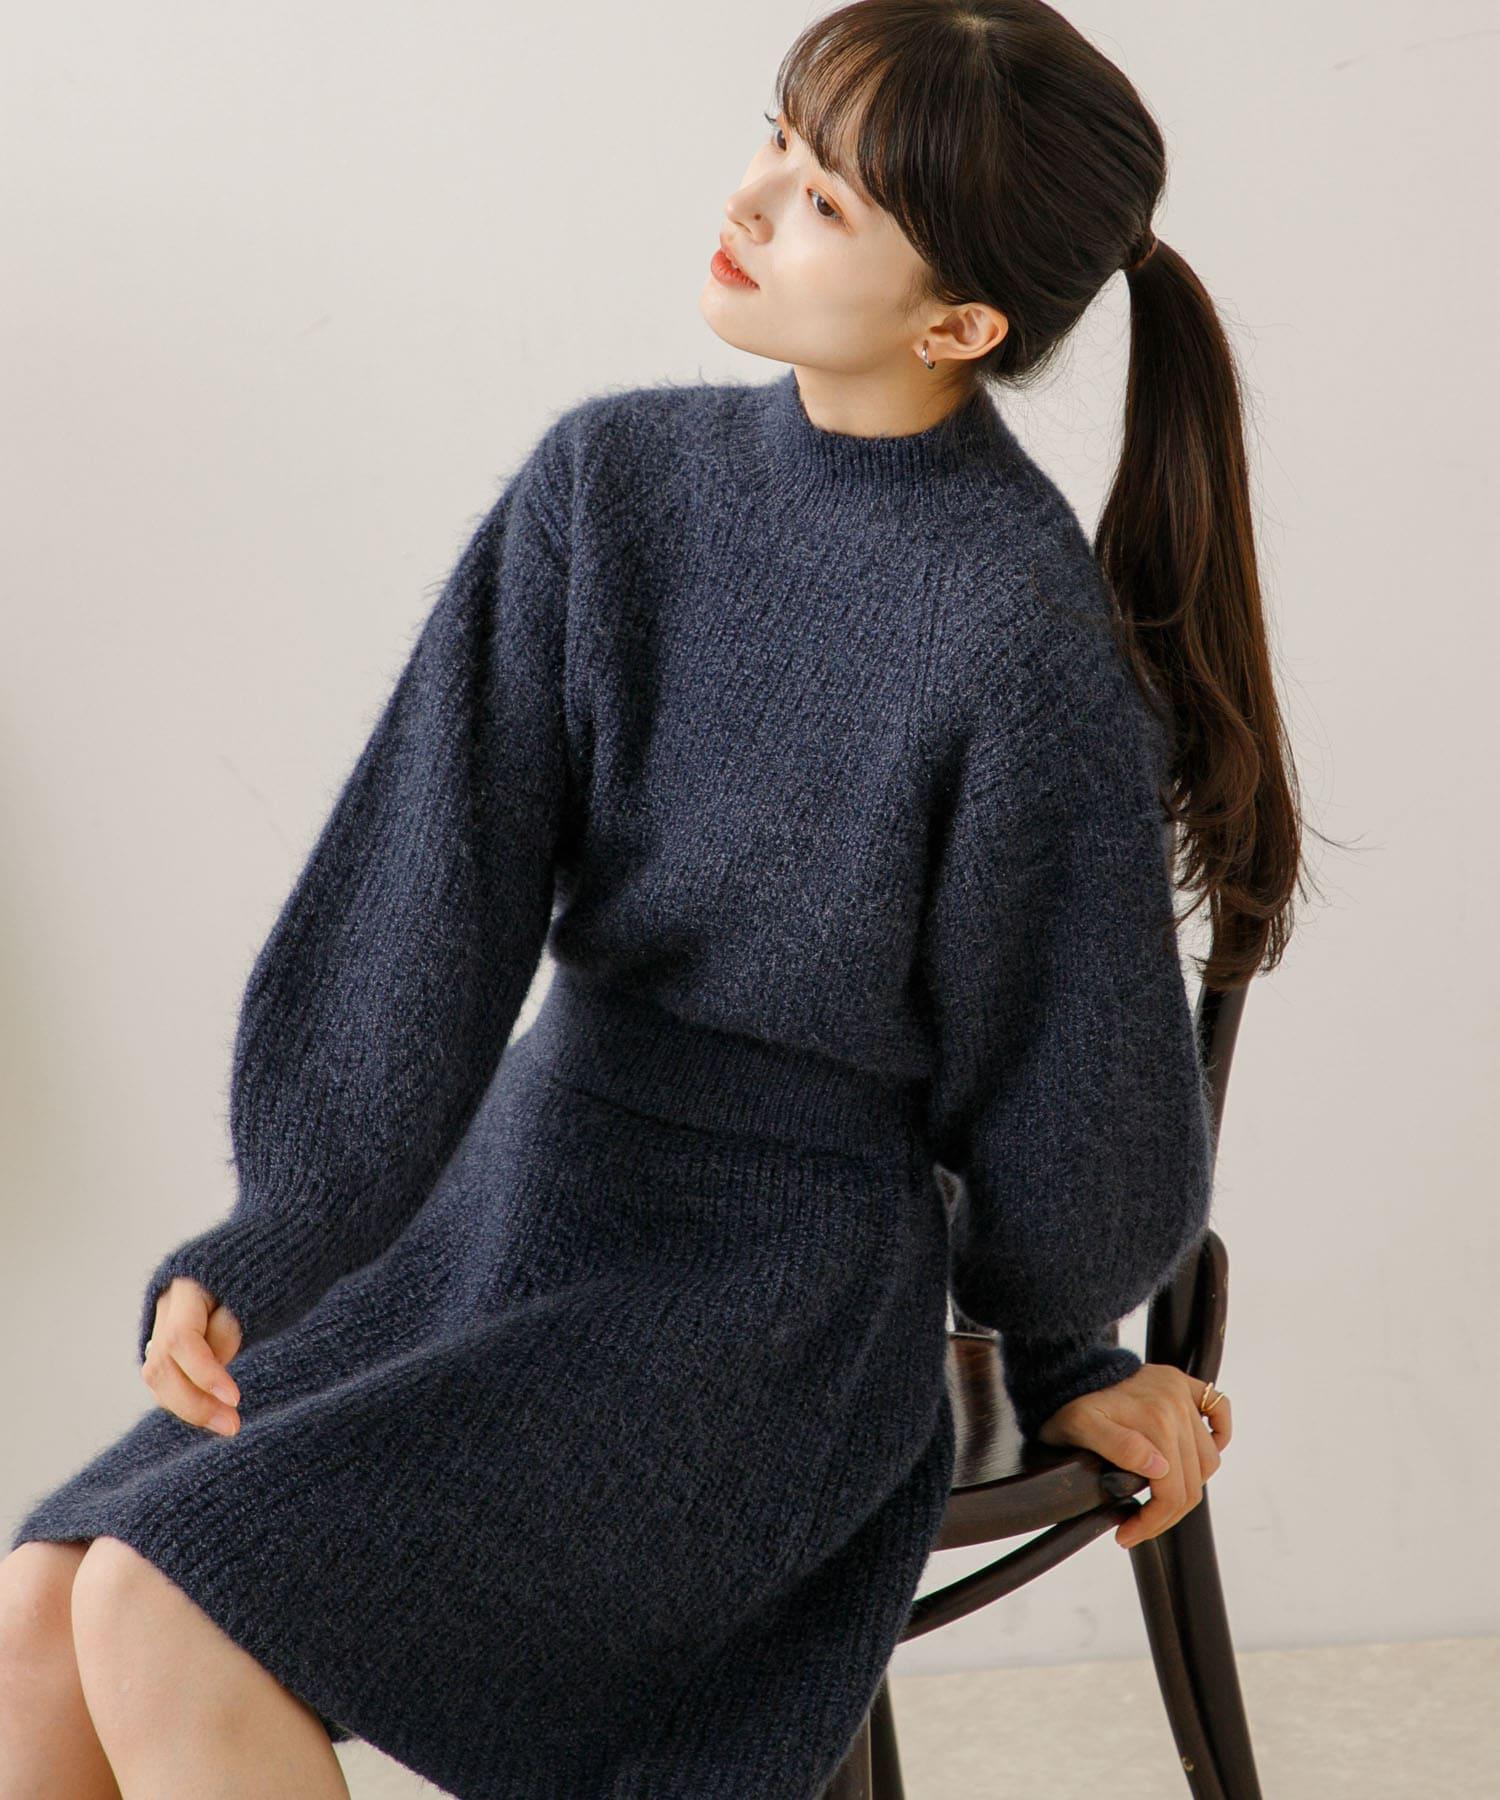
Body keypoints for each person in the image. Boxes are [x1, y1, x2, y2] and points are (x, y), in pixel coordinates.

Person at [2, 3, 1303, 1795]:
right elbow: (427, 893)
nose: (754, 198)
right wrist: (283, 1231)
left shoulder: (1018, 638)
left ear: (960, 324)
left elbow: (1062, 1066)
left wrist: (1072, 1340)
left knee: (160, 1602)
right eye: (779, 135)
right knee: (45, 1599)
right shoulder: (609, 485)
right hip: (516, 1203)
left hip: (765, 1300)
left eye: (827, 201)